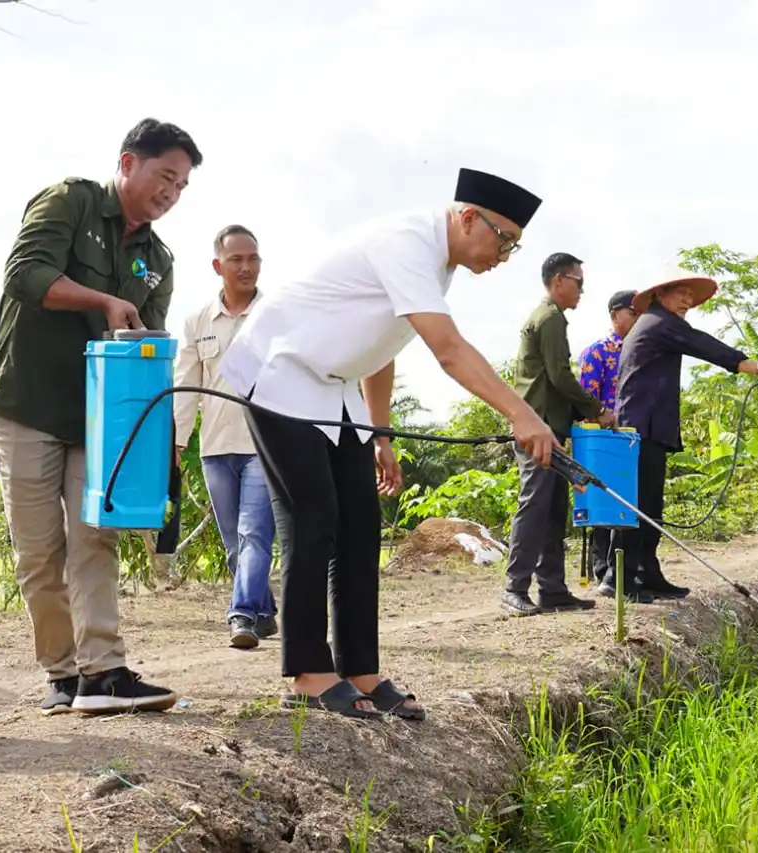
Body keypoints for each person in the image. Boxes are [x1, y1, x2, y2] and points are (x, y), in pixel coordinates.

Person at [218, 167, 556, 721]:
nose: (505, 255)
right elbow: (447, 349)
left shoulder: (437, 263)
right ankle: (306, 671)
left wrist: (380, 434)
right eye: (504, 240)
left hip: (335, 388)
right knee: (314, 516)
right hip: (281, 372)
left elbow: (383, 343)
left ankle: (360, 669)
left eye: (515, 247)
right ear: (468, 218)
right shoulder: (407, 242)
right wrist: (522, 415)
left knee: (359, 523)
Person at [0, 118, 203, 715]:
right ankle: (61, 674)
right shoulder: (70, 201)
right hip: (27, 403)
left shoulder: (159, 258)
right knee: (38, 551)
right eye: (165, 176)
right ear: (129, 163)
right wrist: (102, 300)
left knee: (94, 539)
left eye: (182, 185)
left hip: (99, 419)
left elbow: (148, 342)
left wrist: (158, 430)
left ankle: (103, 671)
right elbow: (24, 275)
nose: (171, 193)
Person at [608, 267, 758, 602]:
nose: (687, 302)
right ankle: (619, 579)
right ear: (661, 294)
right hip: (639, 427)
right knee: (638, 506)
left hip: (648, 425)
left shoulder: (657, 324)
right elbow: (710, 348)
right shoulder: (660, 323)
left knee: (651, 505)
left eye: (691, 297)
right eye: (682, 294)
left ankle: (647, 572)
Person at [173, 224, 278, 650]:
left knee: (254, 534)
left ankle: (242, 616)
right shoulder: (198, 321)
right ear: (218, 265)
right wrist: (176, 445)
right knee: (235, 542)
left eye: (253, 258)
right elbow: (184, 384)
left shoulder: (277, 316)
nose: (246, 267)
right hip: (216, 447)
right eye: (236, 259)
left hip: (265, 447)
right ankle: (264, 611)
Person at [502, 253, 614, 617]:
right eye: (579, 282)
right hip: (539, 427)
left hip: (549, 426)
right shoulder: (550, 318)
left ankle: (552, 589)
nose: (582, 290)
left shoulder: (549, 317)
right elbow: (560, 376)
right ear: (559, 280)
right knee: (535, 505)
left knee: (552, 509)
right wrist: (596, 408)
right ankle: (515, 587)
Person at [577, 289, 639, 585]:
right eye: (632, 313)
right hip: (603, 439)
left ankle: (622, 569)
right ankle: (603, 569)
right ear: (615, 315)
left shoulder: (642, 351)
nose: (638, 319)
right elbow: (586, 399)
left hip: (632, 438)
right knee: (603, 501)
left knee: (628, 503)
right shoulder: (598, 352)